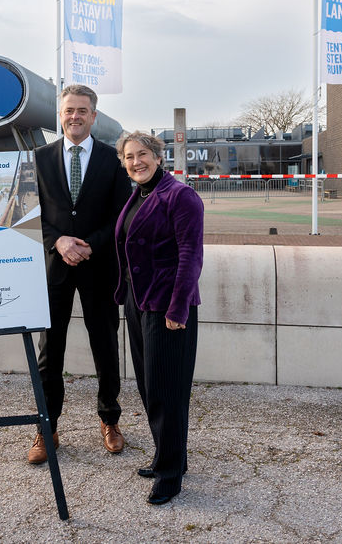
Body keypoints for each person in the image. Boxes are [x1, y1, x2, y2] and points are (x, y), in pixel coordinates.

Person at [30, 84, 131, 464]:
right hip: (54, 268)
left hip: (99, 265)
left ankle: (110, 420)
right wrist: (58, 243)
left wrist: (88, 244)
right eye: (69, 110)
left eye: (82, 110)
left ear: (94, 114)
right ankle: (46, 426)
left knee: (105, 346)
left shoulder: (113, 159)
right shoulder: (38, 158)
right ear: (61, 114)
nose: (75, 116)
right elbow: (29, 215)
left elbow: (120, 216)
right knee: (48, 352)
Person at [114, 131, 204, 505]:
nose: (137, 162)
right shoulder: (138, 194)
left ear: (158, 156)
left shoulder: (180, 196)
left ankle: (170, 475)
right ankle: (169, 458)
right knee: (151, 388)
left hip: (168, 307)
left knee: (168, 392)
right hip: (138, 303)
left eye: (143, 154)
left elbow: (190, 255)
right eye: (129, 157)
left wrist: (178, 308)